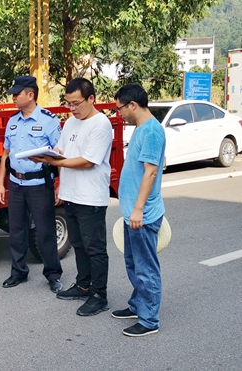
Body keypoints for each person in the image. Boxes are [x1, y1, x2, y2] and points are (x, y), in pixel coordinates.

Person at [31, 77, 113, 316]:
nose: (72, 109)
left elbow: (88, 161)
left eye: (76, 103)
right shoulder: (69, 124)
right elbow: (63, 152)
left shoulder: (101, 124)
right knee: (78, 245)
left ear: (91, 99)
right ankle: (83, 284)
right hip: (71, 194)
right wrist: (52, 155)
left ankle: (100, 295)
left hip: (91, 197)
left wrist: (55, 160)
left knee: (94, 248)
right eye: (68, 104)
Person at [0, 76, 63, 293]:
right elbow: (6, 152)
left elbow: (59, 154)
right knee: (16, 230)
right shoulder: (12, 121)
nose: (14, 97)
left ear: (31, 95)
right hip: (16, 183)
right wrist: (1, 183)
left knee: (45, 231)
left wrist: (59, 184)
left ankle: (53, 274)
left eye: (17, 94)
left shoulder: (48, 120)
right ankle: (18, 272)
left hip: (39, 183)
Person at [112, 83, 166, 337]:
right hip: (133, 213)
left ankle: (149, 320)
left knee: (146, 268)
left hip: (141, 215)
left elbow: (151, 172)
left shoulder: (152, 132)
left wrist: (137, 210)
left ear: (132, 105)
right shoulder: (142, 129)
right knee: (133, 264)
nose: (119, 113)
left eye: (120, 108)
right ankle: (137, 305)